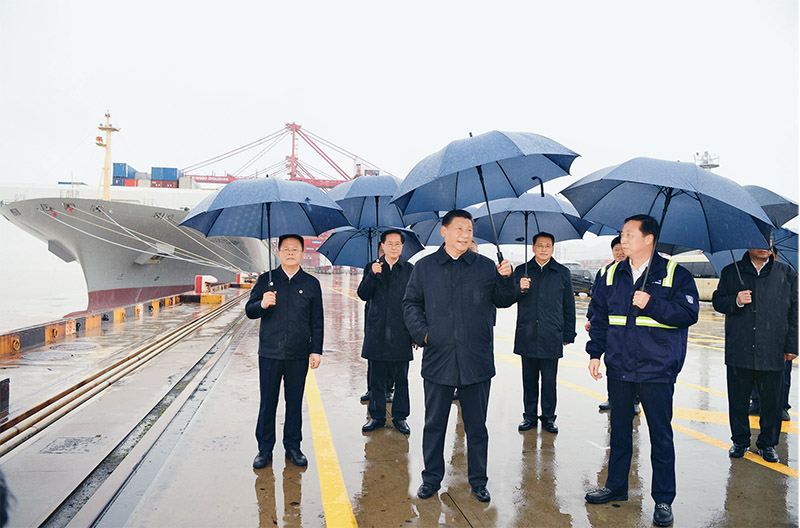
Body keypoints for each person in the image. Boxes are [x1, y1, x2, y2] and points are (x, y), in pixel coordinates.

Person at [584, 214, 699, 528]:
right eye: (622, 233)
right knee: (619, 431)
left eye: (629, 234)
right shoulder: (609, 274)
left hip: (657, 369)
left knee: (661, 437)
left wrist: (652, 304)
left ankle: (663, 499)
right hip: (619, 366)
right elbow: (599, 316)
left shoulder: (675, 274)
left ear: (649, 238)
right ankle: (616, 485)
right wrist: (595, 353)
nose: (623, 239)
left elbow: (689, 313)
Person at [403, 209, 515, 503]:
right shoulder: (424, 267)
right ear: (444, 231)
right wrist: (424, 334)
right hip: (439, 358)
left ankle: (478, 480)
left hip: (476, 358)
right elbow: (411, 304)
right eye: (460, 229)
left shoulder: (484, 266)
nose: (465, 235)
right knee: (434, 424)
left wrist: (506, 280)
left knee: (477, 427)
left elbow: (502, 301)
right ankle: (431, 479)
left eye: (469, 230)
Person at [711, 246, 798, 463]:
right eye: (759, 242)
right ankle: (740, 441)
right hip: (740, 348)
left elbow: (794, 311)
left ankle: (767, 444)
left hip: (773, 348)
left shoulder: (787, 273)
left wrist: (792, 345)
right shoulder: (732, 272)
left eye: (769, 242)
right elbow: (718, 301)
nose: (765, 248)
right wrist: (736, 300)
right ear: (748, 244)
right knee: (738, 401)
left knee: (771, 403)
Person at [246, 234, 323, 469]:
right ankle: (264, 449)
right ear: (278, 253)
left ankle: (293, 447)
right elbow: (250, 310)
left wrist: (316, 350)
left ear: (302, 253)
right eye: (286, 249)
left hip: (298, 355)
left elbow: (317, 320)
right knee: (268, 403)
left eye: (295, 249)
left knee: (294, 402)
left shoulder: (311, 284)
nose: (290, 253)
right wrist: (263, 303)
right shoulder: (265, 281)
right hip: (269, 352)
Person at [514, 232, 576, 434]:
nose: (543, 249)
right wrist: (518, 287)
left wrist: (568, 333)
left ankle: (548, 418)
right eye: (539, 245)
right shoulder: (521, 271)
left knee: (549, 382)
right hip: (528, 334)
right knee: (528, 380)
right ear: (532, 248)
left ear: (552, 249)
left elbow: (569, 305)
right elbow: (504, 297)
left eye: (547, 246)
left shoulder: (562, 273)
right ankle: (529, 416)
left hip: (551, 335)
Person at [358, 230, 415, 434]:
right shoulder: (372, 268)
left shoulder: (410, 270)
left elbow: (416, 302)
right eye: (389, 243)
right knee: (377, 379)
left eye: (397, 244)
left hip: (401, 332)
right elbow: (363, 294)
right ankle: (377, 417)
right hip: (377, 331)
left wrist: (415, 332)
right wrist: (372, 275)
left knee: (401, 379)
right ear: (382, 245)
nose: (393, 247)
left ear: (402, 246)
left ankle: (400, 417)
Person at [586, 236, 640, 415]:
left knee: (634, 365)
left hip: (634, 332)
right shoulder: (606, 273)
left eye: (622, 249)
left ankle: (634, 401)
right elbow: (596, 300)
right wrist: (590, 318)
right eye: (615, 250)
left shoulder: (638, 272)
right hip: (612, 331)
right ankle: (612, 397)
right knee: (614, 365)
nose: (619, 253)